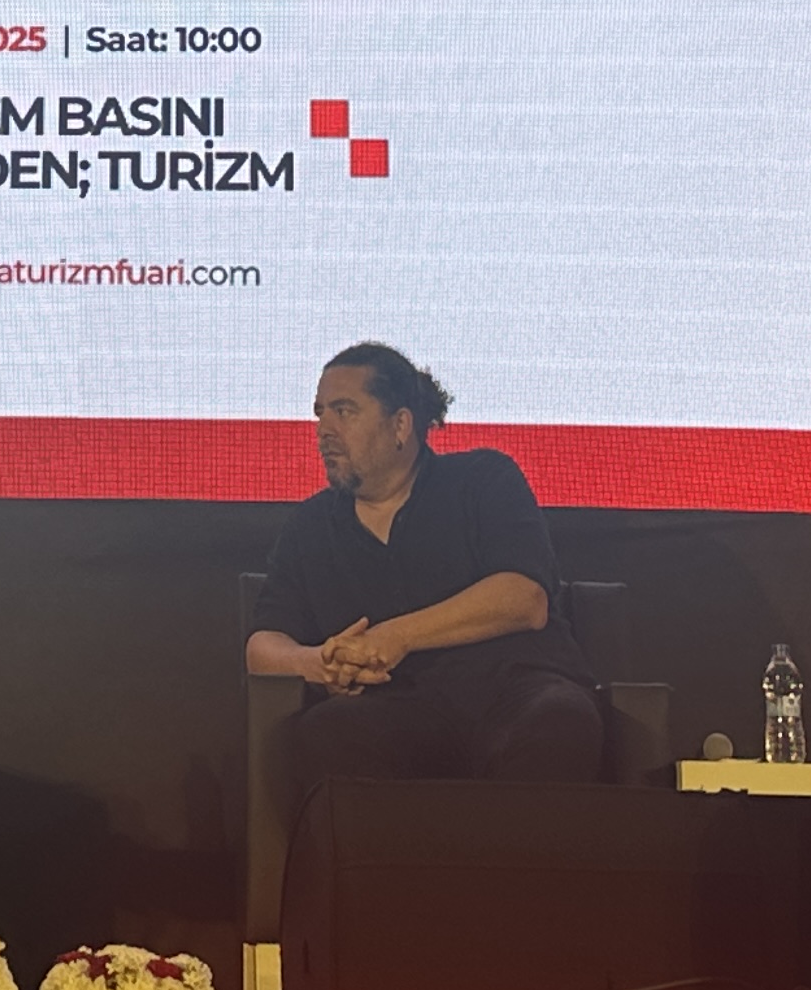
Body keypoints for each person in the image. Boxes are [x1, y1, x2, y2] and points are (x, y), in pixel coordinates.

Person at [247, 345, 600, 815]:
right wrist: (316, 664)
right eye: (320, 413)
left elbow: (524, 598)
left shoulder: (482, 480)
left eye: (344, 411)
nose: (324, 430)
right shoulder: (309, 526)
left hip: (511, 689)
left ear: (400, 425)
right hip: (393, 708)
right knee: (328, 733)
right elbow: (263, 645)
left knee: (559, 720)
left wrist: (396, 637)